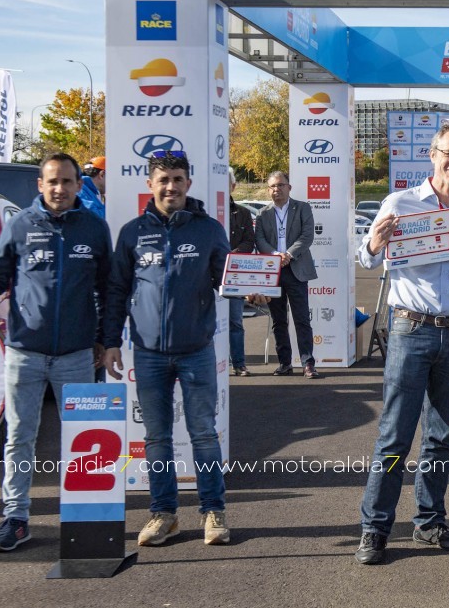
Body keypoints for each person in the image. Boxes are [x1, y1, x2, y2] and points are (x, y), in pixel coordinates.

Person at [0, 153, 111, 553]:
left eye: (67, 182)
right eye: (52, 181)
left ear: (76, 184)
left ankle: (82, 517)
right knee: (19, 437)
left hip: (76, 355)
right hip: (24, 353)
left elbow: (108, 288)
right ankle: (15, 519)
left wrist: (105, 337)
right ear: (40, 185)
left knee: (82, 439)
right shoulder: (19, 224)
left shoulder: (94, 227)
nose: (60, 189)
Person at [354, 120, 449, 565]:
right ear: (432, 155)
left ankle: (429, 521)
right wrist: (373, 242)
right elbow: (366, 258)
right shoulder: (401, 201)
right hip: (412, 331)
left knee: (441, 438)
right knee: (394, 436)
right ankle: (375, 528)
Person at [102, 150, 232, 547]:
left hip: (196, 349)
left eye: (177, 179)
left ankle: (213, 510)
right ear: (150, 185)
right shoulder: (131, 232)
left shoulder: (208, 229)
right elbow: (117, 290)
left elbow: (228, 279)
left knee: (204, 434)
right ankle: (164, 514)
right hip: (148, 354)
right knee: (156, 437)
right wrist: (109, 342)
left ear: (189, 183)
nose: (170, 186)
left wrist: (255, 290)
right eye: (163, 180)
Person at [254, 170, 318, 378]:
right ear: (268, 189)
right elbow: (260, 239)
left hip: (296, 269)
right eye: (272, 186)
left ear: (289, 187)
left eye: (280, 185)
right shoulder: (262, 214)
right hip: (273, 272)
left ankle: (308, 363)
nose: (276, 189)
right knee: (278, 320)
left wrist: (288, 254)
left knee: (301, 319)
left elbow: (307, 235)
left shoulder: (302, 208)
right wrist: (274, 255)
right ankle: (284, 363)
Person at [227, 168, 256, 377]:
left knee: (235, 322)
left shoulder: (243, 213)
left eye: (226, 183)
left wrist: (232, 255)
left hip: (233, 276)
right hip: (208, 276)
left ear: (233, 186)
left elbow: (249, 241)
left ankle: (239, 363)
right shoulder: (202, 211)